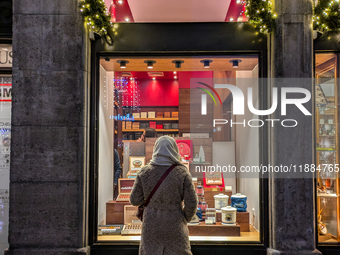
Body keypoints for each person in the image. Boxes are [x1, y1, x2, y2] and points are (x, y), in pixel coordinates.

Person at [130, 136, 198, 255]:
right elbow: (191, 203)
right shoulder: (182, 173)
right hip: (175, 225)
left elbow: (134, 200)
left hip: (151, 225)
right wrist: (185, 218)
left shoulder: (144, 172)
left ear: (156, 150)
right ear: (174, 150)